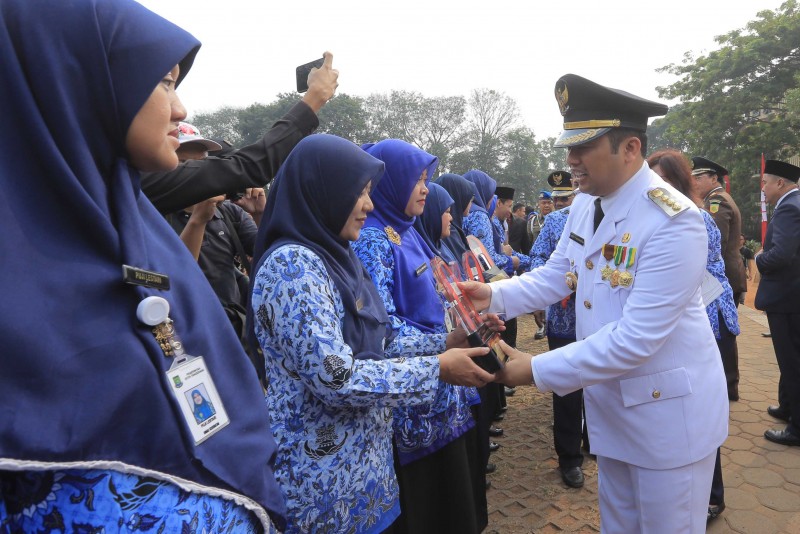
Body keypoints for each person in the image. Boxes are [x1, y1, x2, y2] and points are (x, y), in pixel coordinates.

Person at [0, 0, 290, 531]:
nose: (179, 111)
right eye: (164, 82)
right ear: (80, 82)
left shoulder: (133, 221)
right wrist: (311, 103)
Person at [462, 73, 728, 532]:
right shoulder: (588, 203)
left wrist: (536, 369)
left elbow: (636, 339)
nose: (571, 160)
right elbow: (557, 274)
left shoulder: (674, 221)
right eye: (569, 147)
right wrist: (495, 295)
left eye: (584, 147)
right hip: (612, 408)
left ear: (630, 149)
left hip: (667, 419)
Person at [249, 134, 494, 533]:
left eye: (369, 192)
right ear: (323, 191)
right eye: (359, 192)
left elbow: (381, 343)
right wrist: (436, 368)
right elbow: (337, 378)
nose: (368, 204)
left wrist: (447, 341)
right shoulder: (293, 267)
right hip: (325, 488)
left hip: (368, 477)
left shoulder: (337, 256)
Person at [353, 140, 484, 533]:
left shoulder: (407, 231)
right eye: (418, 179)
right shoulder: (373, 239)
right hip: (414, 400)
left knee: (454, 500)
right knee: (429, 505)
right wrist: (444, 342)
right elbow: (381, 327)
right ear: (392, 181)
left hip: (442, 389)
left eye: (427, 179)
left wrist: (463, 325)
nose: (425, 188)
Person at [648, 149, 740, 521]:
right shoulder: (654, 216)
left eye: (664, 180)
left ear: (679, 182)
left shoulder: (693, 217)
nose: (656, 187)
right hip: (678, 324)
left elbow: (699, 277)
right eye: (650, 179)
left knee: (698, 412)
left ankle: (711, 496)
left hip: (704, 320)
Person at [141, 53, 339, 214]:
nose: (180, 111)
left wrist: (258, 215)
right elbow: (249, 165)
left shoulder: (229, 215)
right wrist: (314, 98)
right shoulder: (138, 188)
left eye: (203, 160)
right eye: (166, 84)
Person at [528, 171, 584, 489]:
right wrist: (554, 284)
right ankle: (569, 457)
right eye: (560, 198)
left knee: (601, 385)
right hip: (564, 319)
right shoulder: (554, 222)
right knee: (567, 388)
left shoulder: (611, 217)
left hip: (601, 320)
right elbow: (537, 256)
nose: (564, 202)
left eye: (568, 196)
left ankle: (595, 441)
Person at [692, 156, 745, 400]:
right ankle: (727, 385)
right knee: (723, 333)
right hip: (725, 276)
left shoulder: (717, 201)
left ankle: (727, 386)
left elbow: (715, 243)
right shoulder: (717, 198)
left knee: (723, 333)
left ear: (714, 178)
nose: (694, 182)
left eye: (698, 177)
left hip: (721, 278)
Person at [756, 160, 800, 446]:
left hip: (787, 297)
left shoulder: (788, 208)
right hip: (791, 296)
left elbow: (781, 255)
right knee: (790, 357)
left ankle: (797, 428)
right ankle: (787, 406)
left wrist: (759, 258)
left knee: (792, 361)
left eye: (765, 182)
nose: (763, 188)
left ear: (780, 183)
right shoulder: (794, 203)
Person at [435, 173, 475, 265]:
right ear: (458, 196)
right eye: (469, 198)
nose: (471, 203)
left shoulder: (453, 227)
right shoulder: (447, 232)